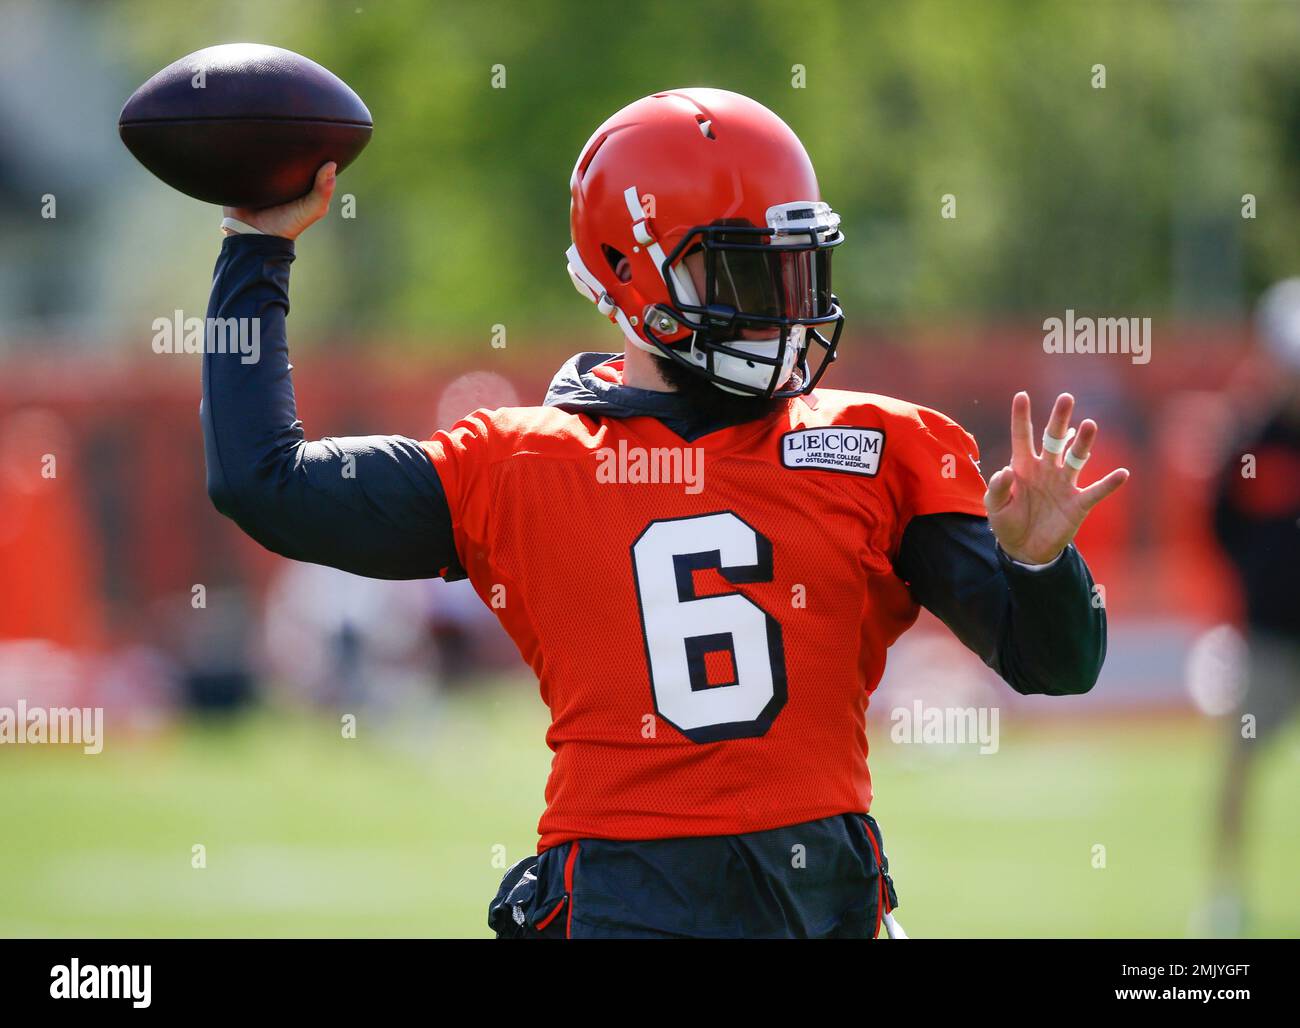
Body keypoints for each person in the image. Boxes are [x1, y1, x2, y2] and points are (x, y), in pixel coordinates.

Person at [201, 88, 1127, 938]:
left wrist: (1043, 566)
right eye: (749, 284)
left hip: (817, 898)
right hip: (624, 898)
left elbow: (1055, 665)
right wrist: (256, 247)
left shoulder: (877, 445)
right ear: (634, 276)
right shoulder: (521, 463)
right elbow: (262, 483)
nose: (784, 317)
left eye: (795, 278)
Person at [1208, 278, 1300, 936]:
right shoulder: (1252, 439)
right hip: (1269, 636)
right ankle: (1225, 896)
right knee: (1240, 762)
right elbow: (1222, 521)